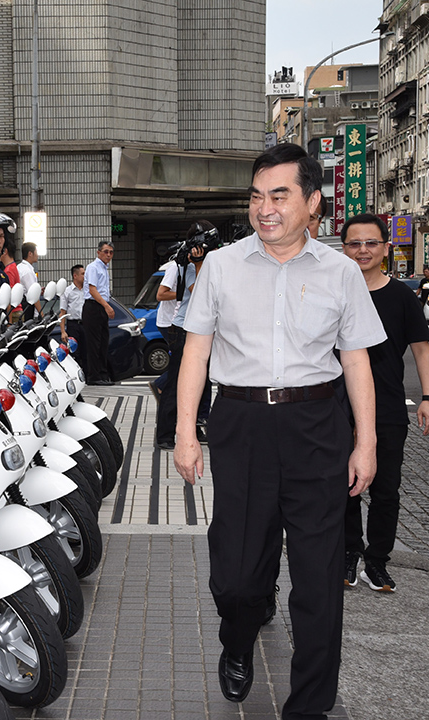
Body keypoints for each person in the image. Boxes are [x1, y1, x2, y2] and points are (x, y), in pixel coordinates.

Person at [173, 143, 385, 718]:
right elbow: (196, 351)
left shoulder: (342, 272)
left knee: (318, 580)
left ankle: (309, 706)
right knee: (238, 574)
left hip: (317, 426)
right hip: (240, 424)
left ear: (312, 202)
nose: (264, 208)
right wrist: (186, 432)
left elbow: (358, 361)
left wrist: (365, 442)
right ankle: (237, 638)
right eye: (257, 196)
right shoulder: (221, 266)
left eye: (279, 195)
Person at [340, 213, 429, 593]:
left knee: (386, 490)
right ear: (344, 247)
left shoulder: (401, 296)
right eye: (354, 243)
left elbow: (422, 350)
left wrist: (428, 399)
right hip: (337, 406)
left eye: (371, 243)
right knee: (342, 487)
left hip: (389, 408)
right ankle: (348, 553)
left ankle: (377, 562)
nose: (362, 250)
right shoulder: (334, 291)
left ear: (385, 247)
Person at [155, 241, 207, 449]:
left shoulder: (198, 266)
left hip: (199, 329)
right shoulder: (186, 267)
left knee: (199, 384)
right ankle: (165, 435)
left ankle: (194, 428)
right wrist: (199, 263)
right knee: (176, 383)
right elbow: (201, 291)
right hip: (183, 329)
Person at [82, 240, 116, 386]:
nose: (108, 255)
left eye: (111, 252)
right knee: (94, 343)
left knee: (103, 342)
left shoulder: (104, 268)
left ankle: (102, 374)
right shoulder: (93, 267)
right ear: (98, 252)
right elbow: (92, 289)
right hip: (93, 306)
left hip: (100, 307)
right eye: (106, 251)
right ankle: (93, 376)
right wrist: (106, 306)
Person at [149, 256, 180, 401]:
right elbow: (160, 294)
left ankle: (164, 387)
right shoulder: (174, 267)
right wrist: (182, 295)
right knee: (182, 360)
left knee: (181, 359)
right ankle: (161, 385)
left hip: (177, 322)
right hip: (169, 323)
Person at [59, 265, 87, 373]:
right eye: (82, 274)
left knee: (87, 351)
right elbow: (62, 312)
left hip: (86, 324)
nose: (85, 276)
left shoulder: (88, 290)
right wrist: (63, 331)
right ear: (75, 276)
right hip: (73, 324)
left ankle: (87, 376)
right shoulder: (67, 292)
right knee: (75, 352)